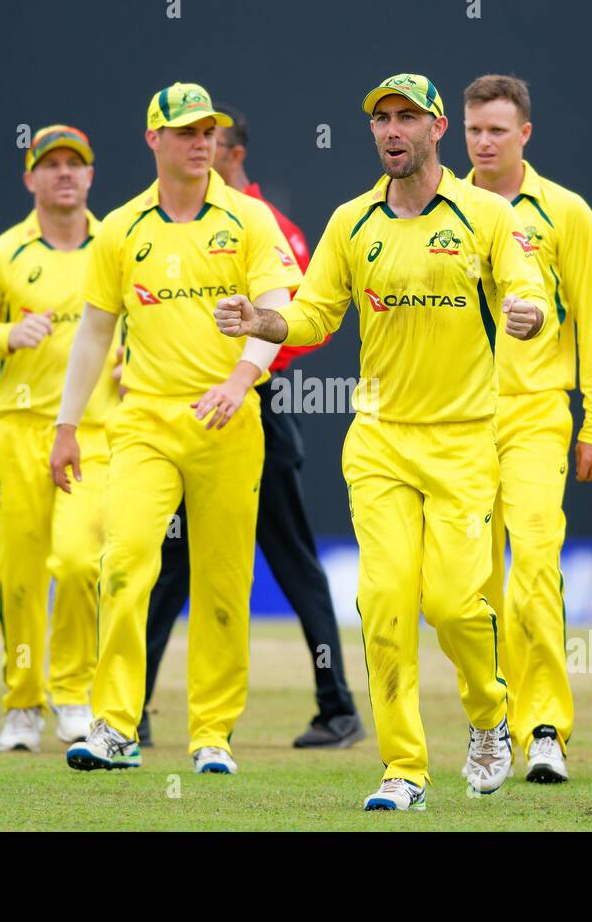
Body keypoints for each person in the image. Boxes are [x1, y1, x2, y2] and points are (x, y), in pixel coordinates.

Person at [214, 73, 549, 812]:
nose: (391, 131)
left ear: (435, 126)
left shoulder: (486, 214)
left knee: (459, 606)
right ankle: (404, 767)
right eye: (380, 120)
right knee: (384, 599)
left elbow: (529, 287)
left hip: (464, 442)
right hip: (379, 443)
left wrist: (526, 311)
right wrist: (260, 321)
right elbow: (311, 316)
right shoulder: (351, 222)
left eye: (405, 118)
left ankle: (491, 715)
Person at [52, 82, 298, 777]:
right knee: (124, 562)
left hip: (228, 420)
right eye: (186, 131)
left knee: (223, 581)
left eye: (208, 131)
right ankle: (114, 725)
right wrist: (67, 424)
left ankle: (212, 732)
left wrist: (239, 377)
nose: (201, 143)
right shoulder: (123, 228)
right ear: (153, 139)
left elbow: (278, 304)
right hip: (146, 420)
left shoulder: (249, 219)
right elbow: (96, 332)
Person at [139, 103, 363, 750]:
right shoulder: (180, 226)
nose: (200, 155)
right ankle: (135, 710)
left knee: (292, 562)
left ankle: (339, 707)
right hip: (188, 413)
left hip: (258, 410)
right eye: (189, 141)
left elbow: (298, 325)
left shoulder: (269, 227)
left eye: (212, 144)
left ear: (234, 155)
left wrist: (242, 363)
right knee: (171, 563)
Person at [461, 74, 592, 782]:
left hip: (536, 413)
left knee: (535, 566)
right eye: (473, 129)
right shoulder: (444, 209)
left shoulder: (567, 212)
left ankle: (546, 725)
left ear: (526, 133)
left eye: (498, 129)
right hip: (456, 419)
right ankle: (491, 723)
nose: (484, 142)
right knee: (471, 585)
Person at [0, 125, 120, 753]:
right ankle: (23, 704)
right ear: (30, 178)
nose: (64, 175)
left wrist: (133, 360)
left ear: (90, 177)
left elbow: (152, 320)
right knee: (20, 574)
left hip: (94, 431)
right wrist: (7, 335)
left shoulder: (115, 246)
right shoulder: (3, 255)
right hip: (19, 428)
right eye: (50, 165)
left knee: (81, 562)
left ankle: (73, 693)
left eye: (75, 165)